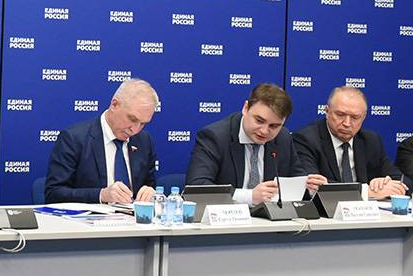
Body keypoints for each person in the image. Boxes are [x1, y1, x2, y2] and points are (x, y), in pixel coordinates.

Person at [186, 83, 326, 205]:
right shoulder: (215, 137)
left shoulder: (283, 138)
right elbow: (197, 187)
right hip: (227, 220)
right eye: (259, 121)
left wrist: (310, 188)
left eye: (274, 126)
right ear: (245, 108)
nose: (264, 131)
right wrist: (250, 196)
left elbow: (297, 179)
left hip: (269, 222)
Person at [44, 78, 159, 204]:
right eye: (132, 119)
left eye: (143, 124)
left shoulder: (144, 141)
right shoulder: (74, 139)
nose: (135, 129)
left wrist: (150, 193)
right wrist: (101, 195)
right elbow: (54, 194)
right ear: (114, 105)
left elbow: (149, 185)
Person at [295, 86, 406, 199]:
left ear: (363, 117)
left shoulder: (371, 140)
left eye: (355, 117)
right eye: (340, 115)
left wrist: (384, 184)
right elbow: (312, 185)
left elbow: (402, 181)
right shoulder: (306, 139)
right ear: (327, 111)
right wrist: (366, 192)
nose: (347, 123)